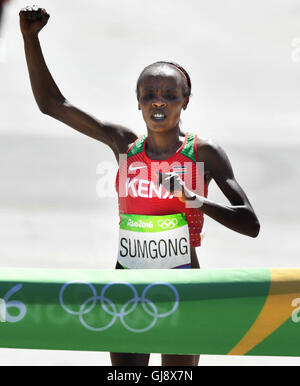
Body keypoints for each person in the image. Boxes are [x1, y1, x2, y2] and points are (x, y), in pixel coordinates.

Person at [19, 6, 260, 366]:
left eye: (169, 94)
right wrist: (30, 39)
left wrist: (194, 200)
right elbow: (52, 105)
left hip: (183, 287)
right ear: (138, 102)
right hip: (127, 284)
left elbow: (250, 223)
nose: (158, 100)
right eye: (149, 94)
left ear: (185, 101)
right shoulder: (124, 145)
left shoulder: (202, 153)